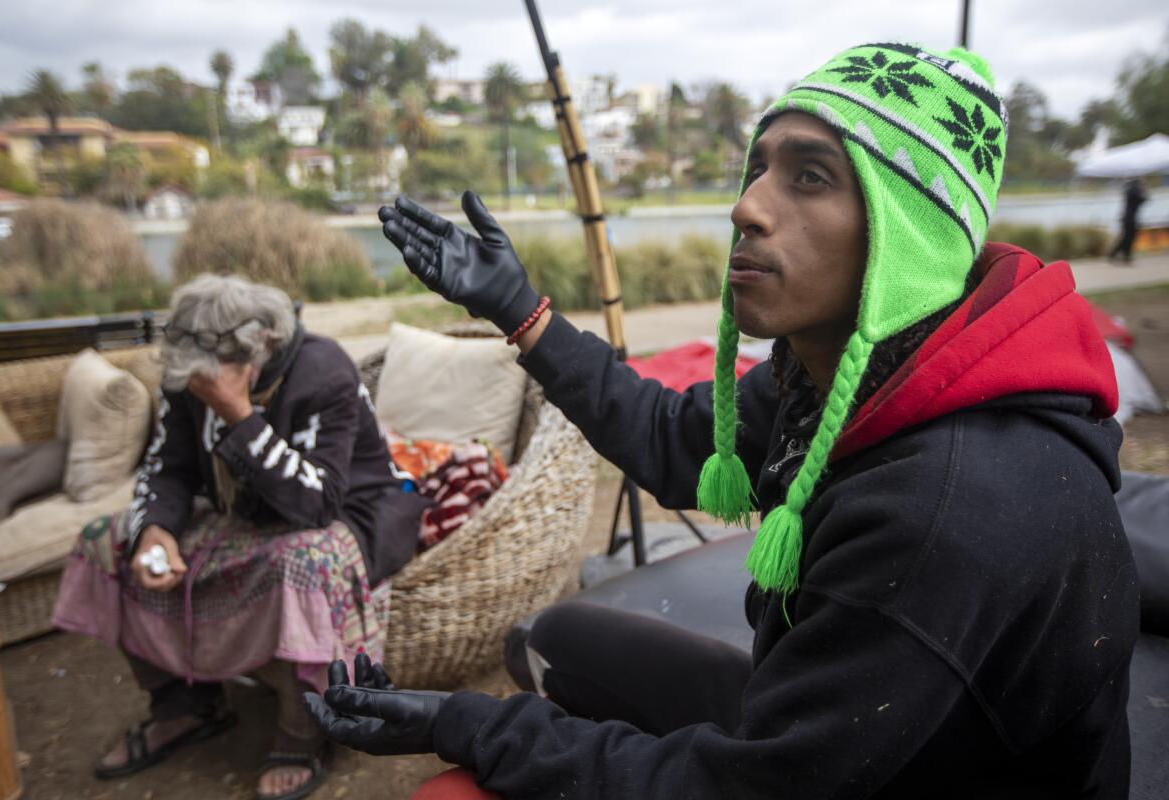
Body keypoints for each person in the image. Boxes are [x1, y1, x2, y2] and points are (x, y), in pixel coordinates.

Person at [306, 43, 1139, 798]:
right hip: (839, 731)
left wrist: (468, 726)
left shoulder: (943, 510)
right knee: (558, 635)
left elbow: (746, 789)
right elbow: (675, 441)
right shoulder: (840, 372)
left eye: (808, 177)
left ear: (906, 244)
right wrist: (521, 311)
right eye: (760, 167)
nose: (747, 206)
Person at [53, 274, 431, 800]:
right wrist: (155, 534)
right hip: (249, 512)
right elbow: (168, 467)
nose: (199, 392)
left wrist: (237, 414)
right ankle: (184, 706)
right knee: (106, 539)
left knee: (305, 564)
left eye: (208, 383)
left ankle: (304, 728)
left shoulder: (324, 372)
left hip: (350, 515)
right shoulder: (193, 375)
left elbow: (316, 504)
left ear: (259, 349)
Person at [1109, 177, 1148, 264]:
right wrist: (1144, 189)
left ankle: (1117, 254)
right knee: (1128, 238)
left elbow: (1142, 200)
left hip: (1128, 218)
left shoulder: (1130, 190)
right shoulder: (1134, 191)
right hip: (1130, 218)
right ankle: (1122, 255)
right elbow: (1143, 199)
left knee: (1127, 238)